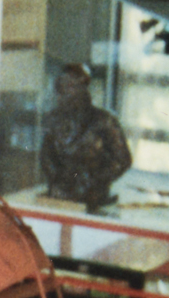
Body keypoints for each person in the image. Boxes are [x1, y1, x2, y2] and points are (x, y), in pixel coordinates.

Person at [39, 62, 133, 205]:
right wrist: (58, 179)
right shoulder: (53, 120)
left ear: (84, 89)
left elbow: (123, 160)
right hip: (60, 195)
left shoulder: (105, 121)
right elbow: (46, 155)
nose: (67, 92)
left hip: (94, 197)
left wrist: (93, 179)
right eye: (63, 87)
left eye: (72, 86)